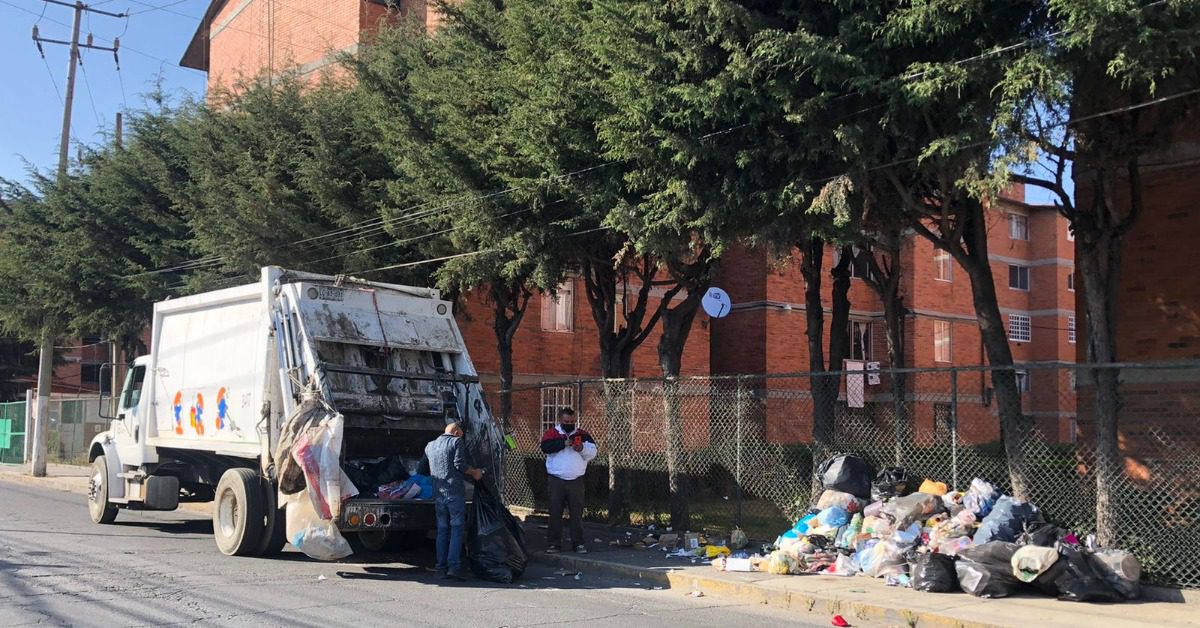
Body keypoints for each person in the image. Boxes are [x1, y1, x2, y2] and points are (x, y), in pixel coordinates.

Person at [420, 422, 483, 580]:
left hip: (438, 494)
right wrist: (474, 472)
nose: (462, 437)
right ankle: (453, 567)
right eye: (461, 434)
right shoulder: (456, 442)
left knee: (442, 530)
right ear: (456, 432)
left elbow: (421, 469)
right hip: (454, 492)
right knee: (456, 529)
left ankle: (440, 567)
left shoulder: (430, 445)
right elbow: (459, 465)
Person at [540, 408, 597, 553]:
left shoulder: (582, 434)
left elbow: (593, 452)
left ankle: (578, 543)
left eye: (572, 422)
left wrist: (582, 448)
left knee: (576, 513)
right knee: (555, 512)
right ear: (560, 420)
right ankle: (554, 543)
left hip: (576, 479)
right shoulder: (552, 433)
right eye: (566, 422)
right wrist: (562, 444)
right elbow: (545, 447)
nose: (569, 424)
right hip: (556, 478)